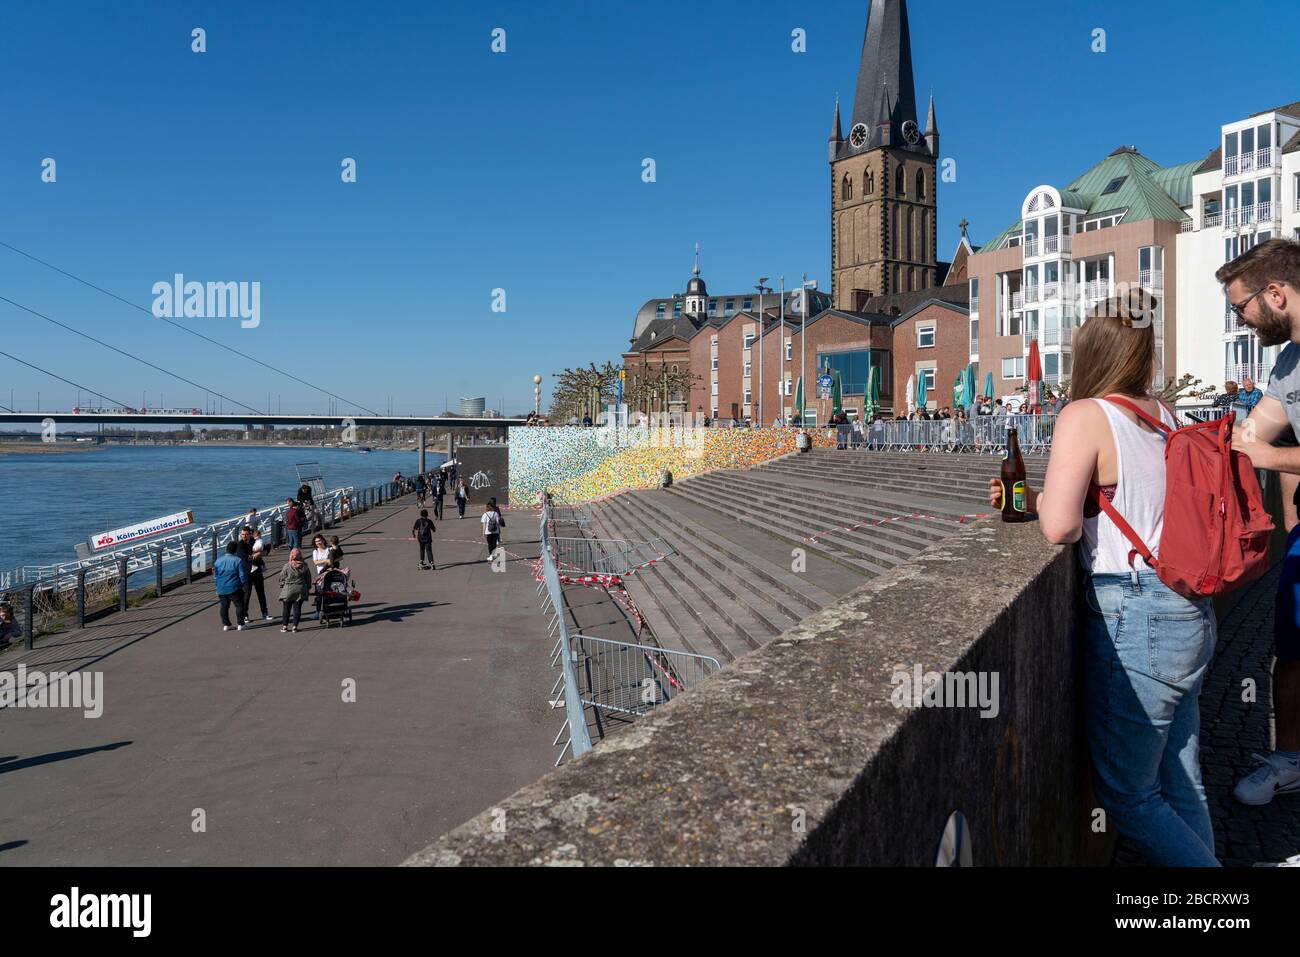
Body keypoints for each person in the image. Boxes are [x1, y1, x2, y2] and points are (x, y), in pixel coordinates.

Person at [987, 290, 1219, 866]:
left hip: (1136, 616)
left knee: (1129, 795)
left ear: (1089, 353)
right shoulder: (1163, 416)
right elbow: (1125, 500)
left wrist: (1041, 504)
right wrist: (1039, 497)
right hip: (1189, 609)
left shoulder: (1086, 416)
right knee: (1182, 776)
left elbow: (1061, 529)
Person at [1217, 238, 1300, 807]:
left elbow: (1267, 453)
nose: (1241, 319)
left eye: (1240, 306)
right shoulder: (1289, 362)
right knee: (1289, 648)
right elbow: (1251, 437)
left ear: (1276, 293)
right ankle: (1290, 758)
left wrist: (1274, 459)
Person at [214, 541, 248, 632]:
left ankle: (226, 625)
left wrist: (217, 586)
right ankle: (240, 624)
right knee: (239, 605)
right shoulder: (237, 560)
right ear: (235, 550)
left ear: (226, 549)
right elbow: (241, 575)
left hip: (221, 587)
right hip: (234, 586)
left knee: (224, 606)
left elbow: (216, 576)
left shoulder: (218, 561)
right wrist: (243, 584)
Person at [277, 548, 312, 633]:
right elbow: (308, 579)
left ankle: (285, 626)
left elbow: (281, 578)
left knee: (286, 609)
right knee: (297, 608)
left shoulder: (287, 566)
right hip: (300, 589)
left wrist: (282, 585)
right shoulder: (304, 566)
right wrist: (307, 588)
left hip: (288, 589)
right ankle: (294, 627)